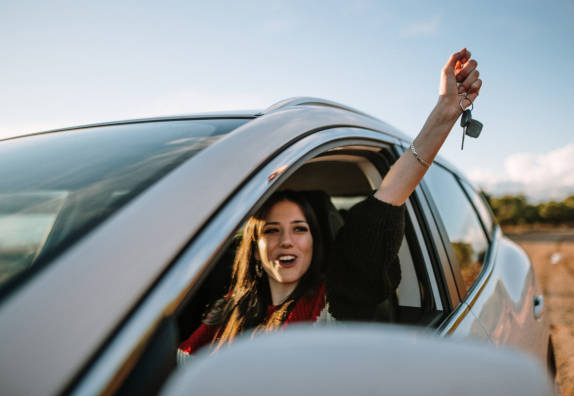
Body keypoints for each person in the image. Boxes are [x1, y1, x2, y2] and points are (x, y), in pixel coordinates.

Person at [178, 48, 482, 360]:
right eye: (271, 230)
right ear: (254, 246)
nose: (286, 241)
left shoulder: (337, 301)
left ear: (314, 239)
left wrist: (445, 113)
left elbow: (386, 202)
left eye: (299, 228)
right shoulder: (229, 307)